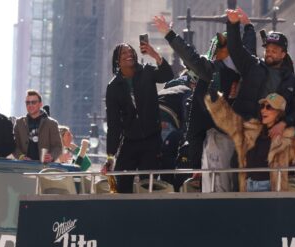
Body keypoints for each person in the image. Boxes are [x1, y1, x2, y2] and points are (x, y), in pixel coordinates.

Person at [154, 11, 256, 192]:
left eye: (223, 48)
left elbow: (249, 46)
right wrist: (169, 34)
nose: (216, 53)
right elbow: (190, 56)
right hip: (207, 126)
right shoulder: (210, 68)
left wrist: (248, 27)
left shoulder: (247, 64)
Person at [205, 90, 295, 192]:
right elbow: (229, 121)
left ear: (279, 113)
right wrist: (215, 100)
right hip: (248, 186)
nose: (264, 109)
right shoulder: (253, 130)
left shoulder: (289, 135)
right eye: (263, 106)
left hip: (273, 189)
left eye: (269, 107)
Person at [104, 40, 174, 193]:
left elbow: (168, 75)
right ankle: (124, 214)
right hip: (130, 140)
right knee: (122, 180)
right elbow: (113, 123)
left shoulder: (147, 72)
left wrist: (154, 54)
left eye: (130, 52)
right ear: (117, 59)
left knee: (148, 184)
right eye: (124, 53)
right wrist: (110, 155)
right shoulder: (113, 87)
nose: (128, 54)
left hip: (151, 139)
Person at [225, 9, 295, 138]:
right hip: (244, 131)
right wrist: (233, 24)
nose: (269, 53)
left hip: (272, 135)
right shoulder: (252, 66)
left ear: (283, 54)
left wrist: (283, 123)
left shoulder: (293, 82)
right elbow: (235, 48)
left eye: (274, 51)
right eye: (267, 50)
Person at [14, 90, 62, 162]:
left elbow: (58, 147)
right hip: (23, 167)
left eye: (33, 102)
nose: (30, 105)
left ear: (40, 104)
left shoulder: (52, 123)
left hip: (44, 168)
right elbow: (14, 146)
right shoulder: (19, 123)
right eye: (27, 103)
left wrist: (51, 156)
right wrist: (21, 156)